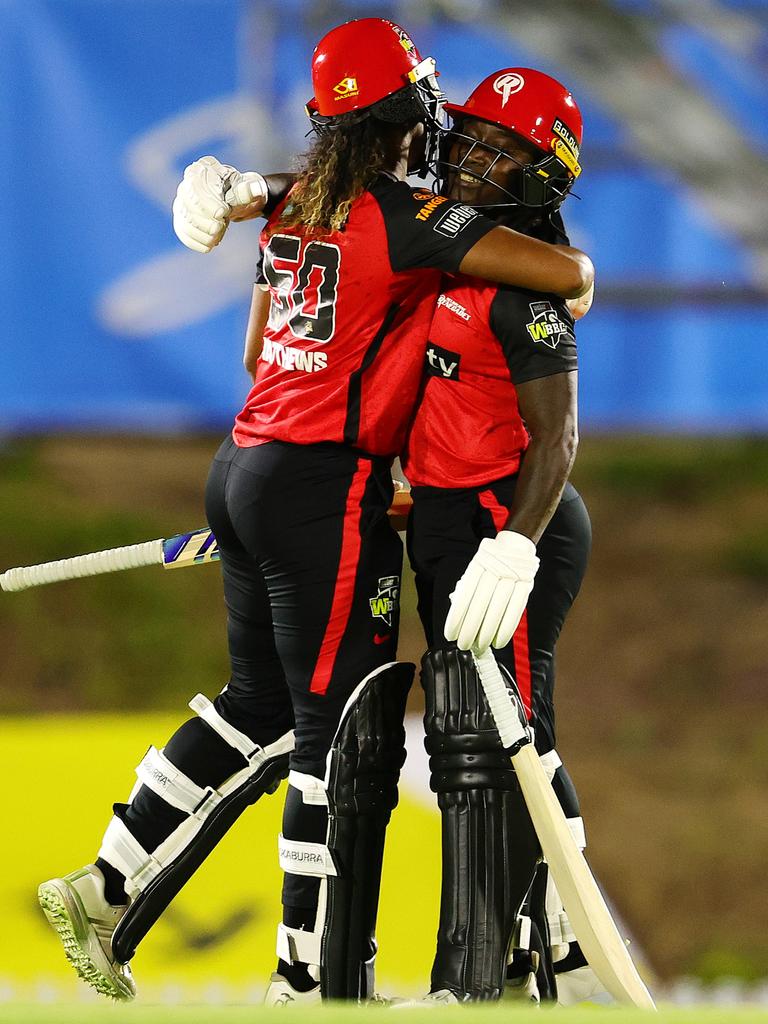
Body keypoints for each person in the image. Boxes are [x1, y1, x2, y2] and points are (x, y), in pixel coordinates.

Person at [37, 19, 594, 1005]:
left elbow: (260, 352)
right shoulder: (416, 218)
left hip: (242, 457)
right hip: (319, 485)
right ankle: (296, 970)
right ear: (401, 112)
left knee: (254, 703)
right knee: (328, 730)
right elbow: (570, 278)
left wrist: (245, 190)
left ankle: (105, 877)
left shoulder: (299, 201)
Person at [178, 68, 602, 1008]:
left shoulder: (517, 270)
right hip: (445, 517)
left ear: (547, 176)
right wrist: (251, 190)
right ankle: (486, 965)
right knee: (467, 736)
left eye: (508, 153)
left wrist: (518, 540)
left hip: (508, 522)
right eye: (476, 140)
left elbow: (557, 437)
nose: (481, 162)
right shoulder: (432, 245)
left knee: (497, 736)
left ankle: (528, 954)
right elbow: (345, 230)